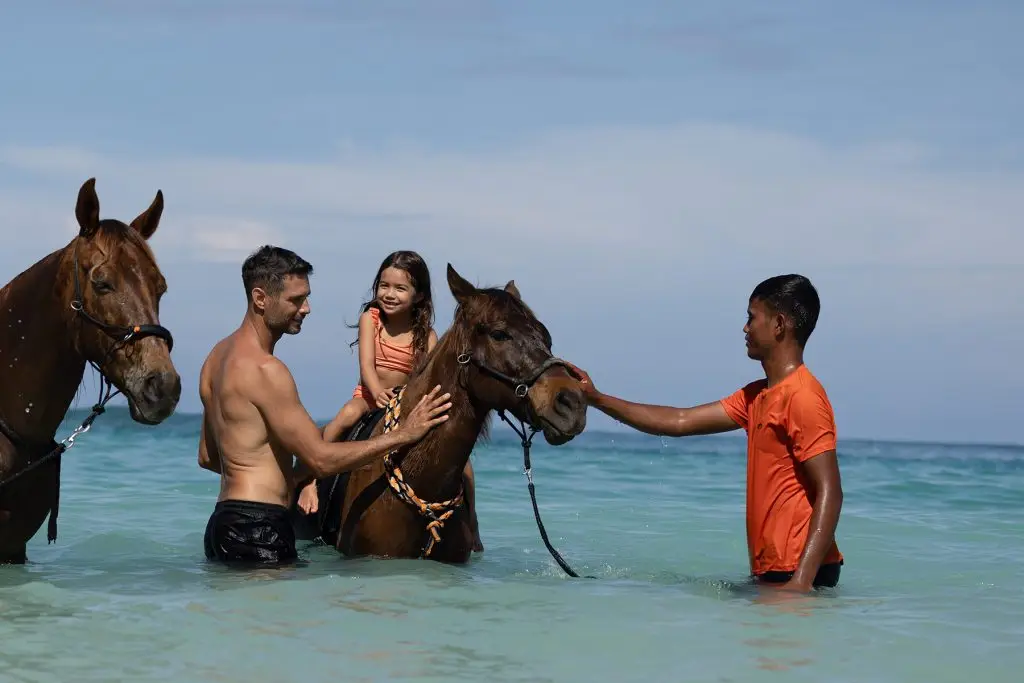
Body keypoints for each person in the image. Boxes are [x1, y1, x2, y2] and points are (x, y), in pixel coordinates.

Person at [568, 274, 843, 592]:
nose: (745, 328)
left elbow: (830, 492)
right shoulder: (756, 396)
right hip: (779, 571)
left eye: (751, 318)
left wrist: (801, 583)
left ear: (779, 324)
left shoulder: (804, 396)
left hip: (800, 571)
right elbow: (680, 421)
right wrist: (598, 398)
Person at [197, 245, 454, 567]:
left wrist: (259, 470)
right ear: (260, 299)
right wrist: (405, 435)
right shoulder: (266, 370)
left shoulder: (215, 358)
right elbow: (320, 459)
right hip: (259, 527)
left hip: (222, 523)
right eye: (296, 299)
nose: (306, 309)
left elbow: (207, 457)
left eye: (306, 297)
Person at [294, 250, 483, 551]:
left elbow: (426, 380)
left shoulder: (427, 336)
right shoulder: (371, 319)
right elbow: (367, 367)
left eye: (400, 288)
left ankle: (471, 524)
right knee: (342, 419)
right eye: (384, 286)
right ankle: (309, 481)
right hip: (369, 397)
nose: (389, 294)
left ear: (419, 296)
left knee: (465, 466)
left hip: (404, 405)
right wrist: (376, 392)